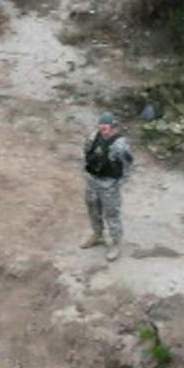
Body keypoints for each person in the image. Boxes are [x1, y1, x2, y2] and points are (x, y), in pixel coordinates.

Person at [81, 112, 134, 261]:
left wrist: (119, 183)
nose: (103, 128)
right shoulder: (93, 137)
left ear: (112, 126)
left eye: (107, 125)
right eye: (101, 125)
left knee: (112, 214)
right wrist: (86, 173)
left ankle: (116, 244)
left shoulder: (120, 144)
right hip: (92, 181)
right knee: (93, 209)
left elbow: (127, 165)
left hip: (109, 185)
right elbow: (86, 153)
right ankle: (97, 235)